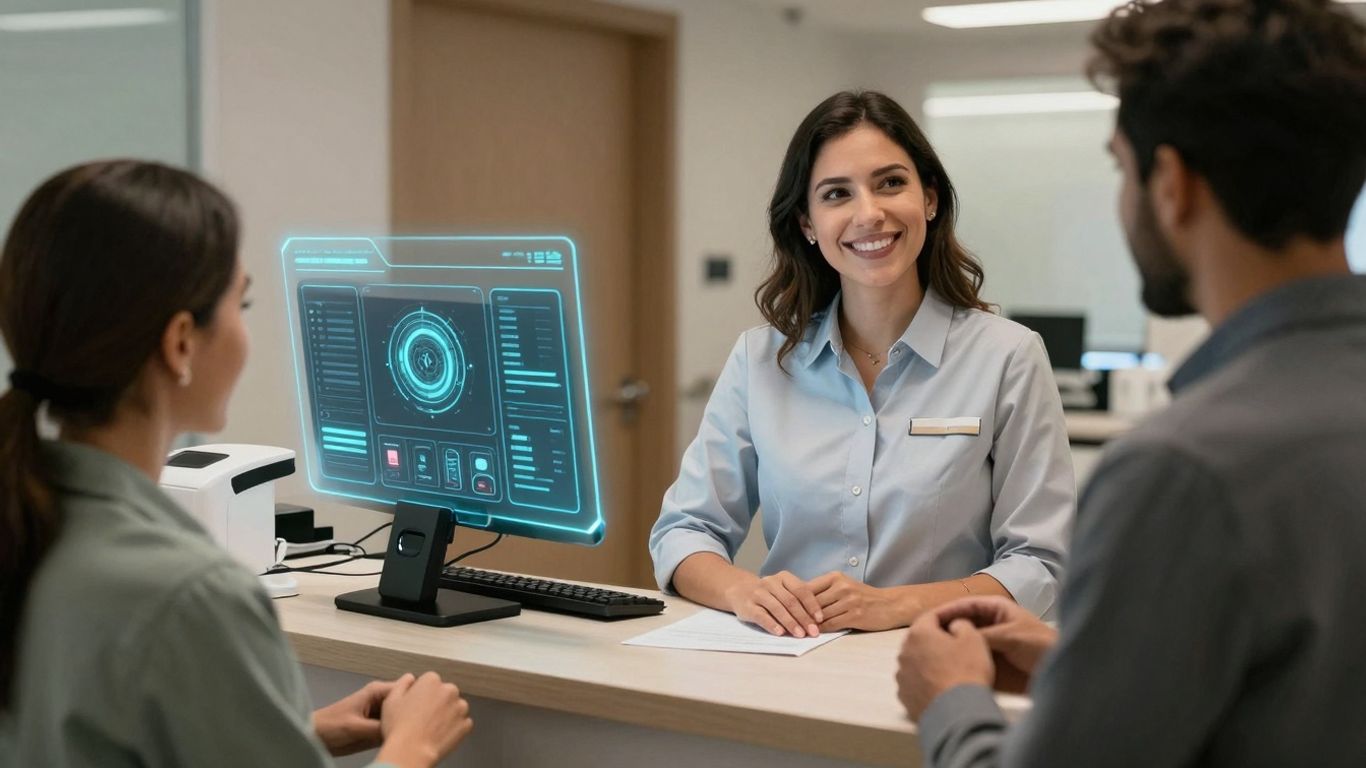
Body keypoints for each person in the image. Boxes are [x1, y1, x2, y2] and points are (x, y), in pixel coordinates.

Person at [896, 0, 1366, 765]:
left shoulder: (1183, 472)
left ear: (1172, 183)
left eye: (1120, 166)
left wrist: (951, 700)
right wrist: (1096, 669)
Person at [0, 160, 473, 767]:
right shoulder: (191, 598)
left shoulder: (29, 532)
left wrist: (294, 734)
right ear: (179, 344)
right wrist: (413, 746)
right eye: (241, 304)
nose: (247, 333)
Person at [649, 91, 1075, 638]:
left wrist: (896, 605)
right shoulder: (760, 360)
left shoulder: (1008, 357)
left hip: (946, 663)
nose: (868, 213)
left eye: (890, 183)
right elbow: (684, 531)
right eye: (836, 193)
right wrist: (745, 591)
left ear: (930, 199)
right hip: (788, 664)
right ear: (807, 221)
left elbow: (1040, 563)